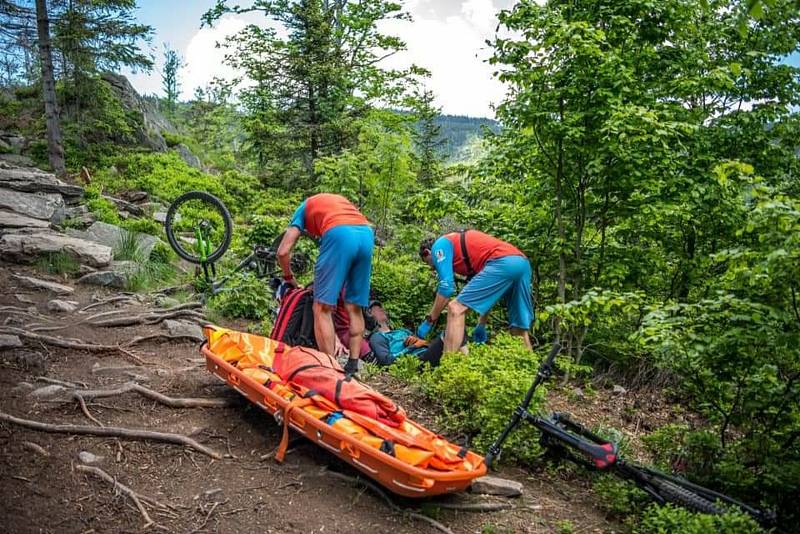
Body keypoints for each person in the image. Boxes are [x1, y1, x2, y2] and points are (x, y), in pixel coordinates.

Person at [278, 193, 374, 376]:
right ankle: (353, 365)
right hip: (366, 233)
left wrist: (289, 277)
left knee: (321, 307)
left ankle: (329, 369)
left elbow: (283, 251)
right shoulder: (336, 202)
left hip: (339, 233)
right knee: (354, 306)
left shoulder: (304, 208)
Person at [417, 230, 534, 353]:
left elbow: (446, 288)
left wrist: (429, 321)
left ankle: (447, 368)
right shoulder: (469, 258)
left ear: (427, 253)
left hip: (502, 261)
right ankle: (531, 370)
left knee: (455, 308)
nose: (431, 268)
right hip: (521, 263)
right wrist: (481, 324)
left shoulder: (439, 246)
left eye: (428, 263)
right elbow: (487, 295)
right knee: (519, 328)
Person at [365, 300, 446, 367]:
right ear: (369, 316)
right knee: (447, 335)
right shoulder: (377, 337)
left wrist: (423, 343)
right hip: (416, 362)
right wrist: (413, 347)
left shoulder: (402, 331)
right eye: (376, 309)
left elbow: (422, 341)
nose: (381, 310)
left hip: (427, 353)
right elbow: (386, 360)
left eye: (381, 308)